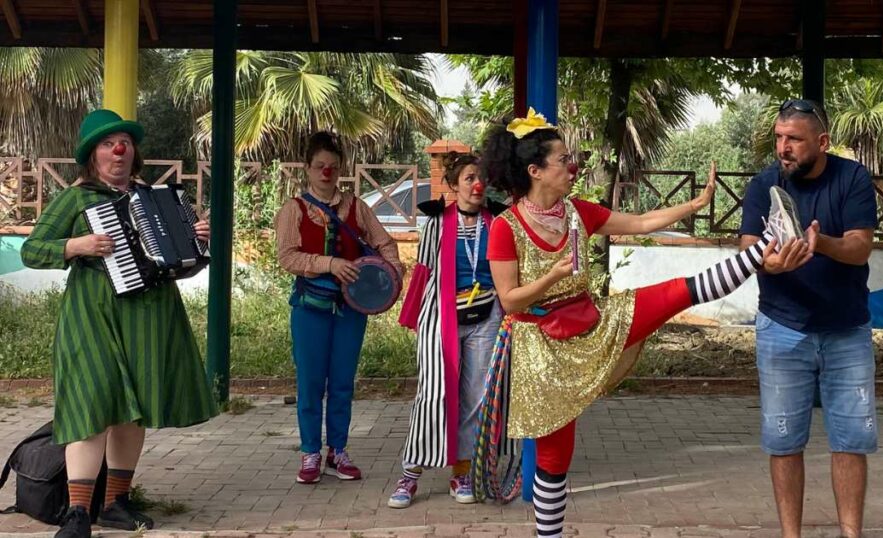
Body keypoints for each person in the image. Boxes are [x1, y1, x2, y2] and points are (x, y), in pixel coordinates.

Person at [481, 108, 806, 538]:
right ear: (535, 171)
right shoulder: (506, 227)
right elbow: (509, 299)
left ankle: (767, 241)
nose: (572, 167)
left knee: (675, 293)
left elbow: (639, 223)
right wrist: (552, 277)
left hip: (591, 324)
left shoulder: (576, 211)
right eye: (563, 160)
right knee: (554, 458)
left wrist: (694, 204)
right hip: (541, 350)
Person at [21, 109, 220, 538]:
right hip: (91, 315)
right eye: (109, 143)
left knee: (135, 411)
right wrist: (77, 245)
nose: (119, 150)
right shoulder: (76, 199)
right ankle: (77, 513)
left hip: (149, 316)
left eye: (125, 143)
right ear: (92, 155)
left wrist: (196, 241)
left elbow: (181, 265)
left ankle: (115, 503)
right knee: (91, 405)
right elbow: (32, 250)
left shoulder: (156, 197)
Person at [739, 98, 878, 538]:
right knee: (783, 443)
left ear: (821, 141)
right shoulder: (764, 185)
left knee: (851, 442)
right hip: (781, 329)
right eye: (779, 138)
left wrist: (821, 244)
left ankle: (851, 534)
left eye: (794, 139)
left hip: (847, 331)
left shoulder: (853, 178)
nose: (784, 148)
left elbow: (860, 247)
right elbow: (747, 246)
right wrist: (768, 263)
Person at [275, 132, 404, 485]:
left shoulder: (358, 208)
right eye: (320, 166)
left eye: (333, 167)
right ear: (307, 168)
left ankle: (339, 452)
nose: (326, 173)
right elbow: (287, 256)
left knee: (343, 382)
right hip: (310, 308)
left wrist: (390, 274)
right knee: (310, 382)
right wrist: (329, 264)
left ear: (341, 168)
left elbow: (385, 245)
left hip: (351, 310)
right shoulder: (294, 210)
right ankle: (309, 453)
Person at [388, 152, 506, 508]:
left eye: (481, 177)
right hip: (442, 318)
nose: (477, 184)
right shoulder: (436, 223)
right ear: (454, 185)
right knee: (433, 395)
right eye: (469, 177)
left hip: (487, 319)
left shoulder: (497, 222)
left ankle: (462, 472)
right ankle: (410, 474)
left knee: (475, 397)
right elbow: (423, 273)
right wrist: (413, 320)